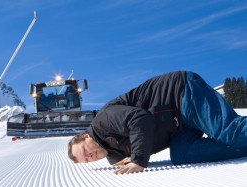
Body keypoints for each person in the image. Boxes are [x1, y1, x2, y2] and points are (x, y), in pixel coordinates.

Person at [68, 71, 247, 174]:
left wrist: (139, 160)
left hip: (181, 94)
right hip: (179, 126)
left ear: (85, 136)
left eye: (85, 150)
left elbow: (140, 119)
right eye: (87, 160)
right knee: (182, 155)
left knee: (230, 132)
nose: (90, 156)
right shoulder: (114, 155)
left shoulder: (103, 122)